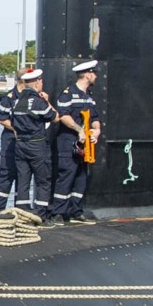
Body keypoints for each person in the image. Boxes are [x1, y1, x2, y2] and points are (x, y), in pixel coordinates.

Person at [51, 60, 102, 221]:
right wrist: (79, 130)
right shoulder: (68, 94)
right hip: (69, 141)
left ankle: (75, 210)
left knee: (81, 176)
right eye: (94, 74)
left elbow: (94, 117)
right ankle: (58, 212)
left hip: (85, 144)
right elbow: (62, 116)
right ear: (88, 74)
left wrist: (97, 131)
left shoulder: (89, 97)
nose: (96, 77)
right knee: (67, 175)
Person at [6, 67, 57, 218]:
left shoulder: (16, 101)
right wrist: (47, 101)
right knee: (43, 180)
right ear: (36, 83)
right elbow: (54, 117)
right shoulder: (38, 102)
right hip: (37, 145)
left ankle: (22, 211)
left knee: (23, 179)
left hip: (20, 145)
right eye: (41, 80)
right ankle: (40, 214)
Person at [0, 78, 23, 212]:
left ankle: (21, 209)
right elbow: (1, 118)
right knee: (6, 174)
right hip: (10, 141)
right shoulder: (9, 97)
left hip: (26, 142)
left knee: (23, 175)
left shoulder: (33, 97)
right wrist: (17, 129)